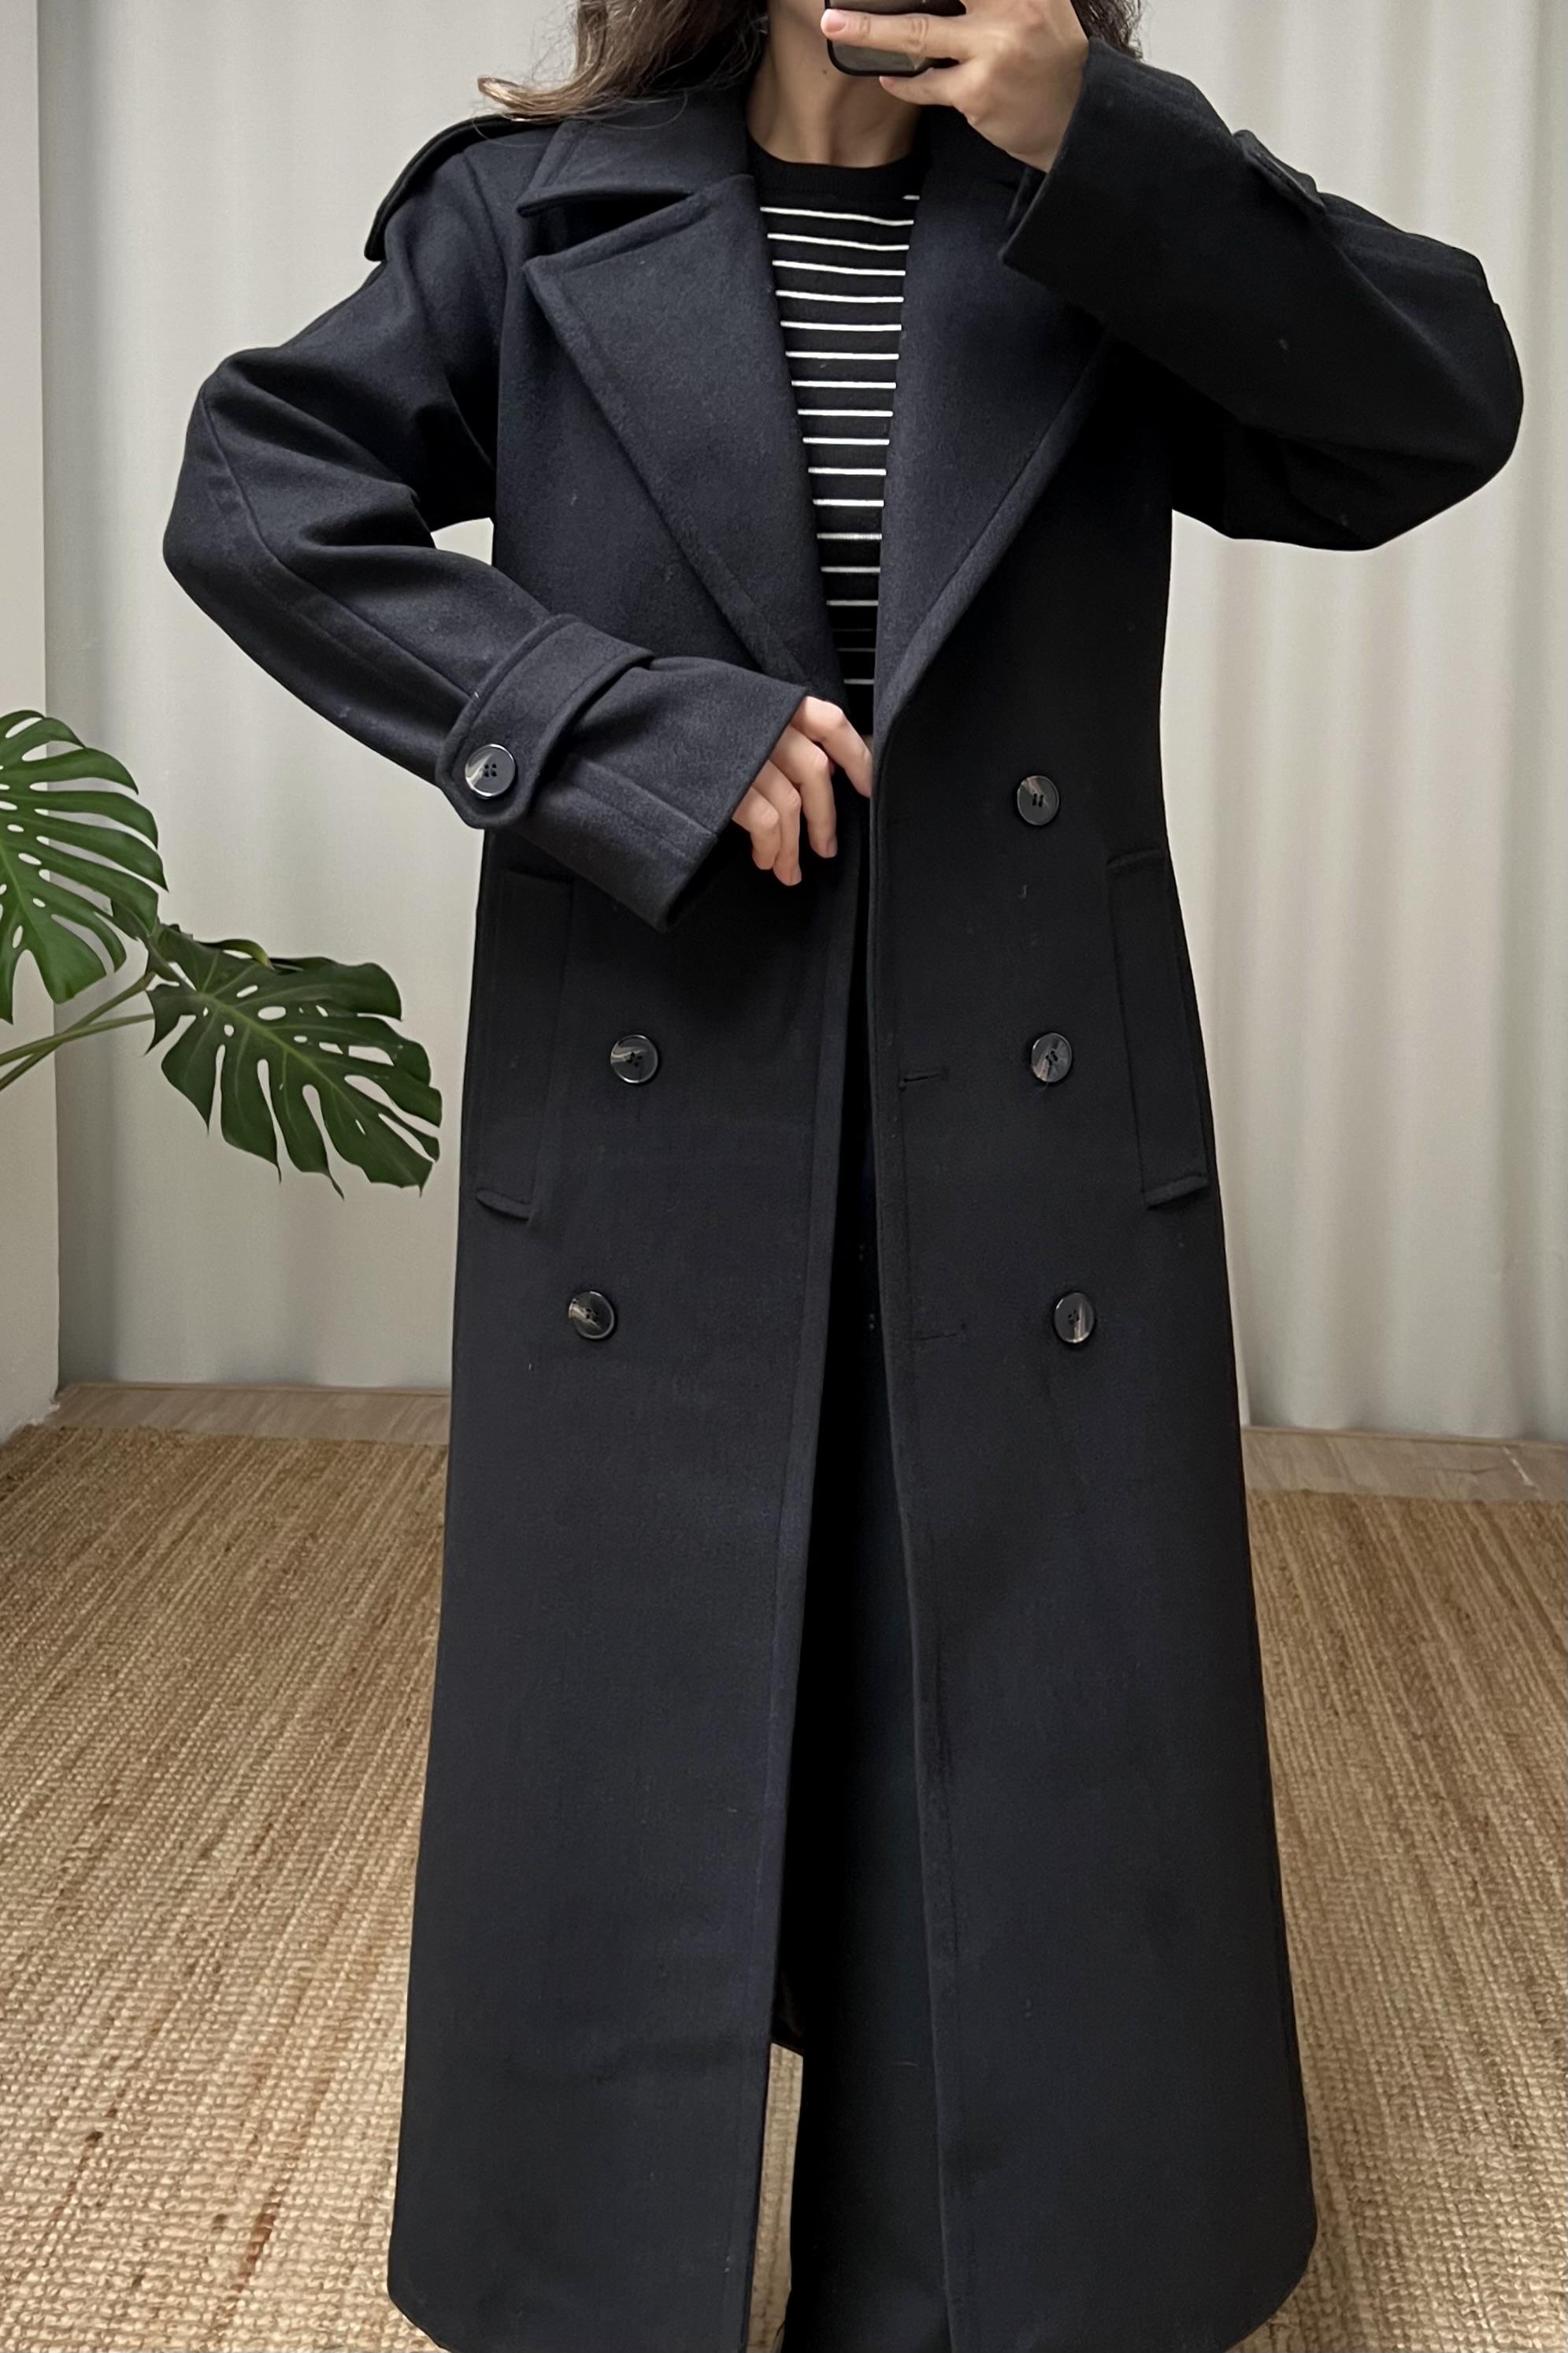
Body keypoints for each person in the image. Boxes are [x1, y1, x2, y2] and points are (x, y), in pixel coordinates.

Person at [161, 3, 1522, 2349]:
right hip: (666, 1091)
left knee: (1018, 1729)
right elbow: (256, 495)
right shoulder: (530, 217)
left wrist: (1106, 142)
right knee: (634, 1742)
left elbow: (1436, 405)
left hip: (1027, 1120)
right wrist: (605, 726)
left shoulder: (1097, 215)